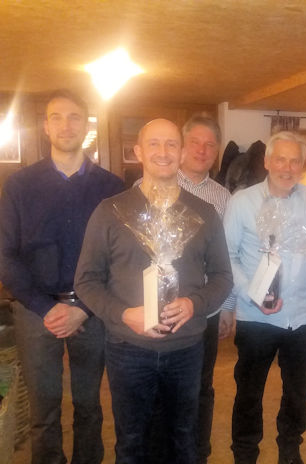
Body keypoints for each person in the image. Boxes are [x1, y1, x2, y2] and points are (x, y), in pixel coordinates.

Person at [74, 118, 233, 464]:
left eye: (171, 144)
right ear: (138, 152)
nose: (163, 152)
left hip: (186, 348)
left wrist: (194, 303)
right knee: (131, 441)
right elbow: (85, 280)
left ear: (182, 152)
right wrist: (123, 314)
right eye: (154, 144)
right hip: (127, 348)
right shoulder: (110, 211)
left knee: (184, 439)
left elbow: (223, 277)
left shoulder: (204, 213)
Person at [0, 89, 124, 464]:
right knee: (43, 410)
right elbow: (6, 258)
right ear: (46, 126)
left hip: (92, 312)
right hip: (35, 312)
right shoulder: (19, 185)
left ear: (86, 126)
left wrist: (83, 307)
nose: (66, 125)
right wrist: (45, 308)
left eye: (74, 117)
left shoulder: (112, 188)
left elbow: (119, 258)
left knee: (89, 406)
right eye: (57, 117)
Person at [224, 131, 306, 464]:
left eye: (295, 161)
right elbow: (227, 255)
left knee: (298, 394)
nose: (287, 167)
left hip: (302, 316)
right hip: (255, 318)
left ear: (303, 165)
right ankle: (245, 453)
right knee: (249, 392)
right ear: (267, 161)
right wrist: (251, 294)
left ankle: (290, 451)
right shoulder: (242, 202)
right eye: (280, 159)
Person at [178, 114, 235, 463]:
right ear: (181, 147)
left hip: (206, 309)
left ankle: (199, 452)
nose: (202, 150)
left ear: (216, 152)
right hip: (160, 307)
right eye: (195, 142)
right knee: (162, 386)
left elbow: (226, 259)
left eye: (209, 145)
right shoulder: (150, 185)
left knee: (202, 384)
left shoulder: (223, 198)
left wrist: (227, 307)